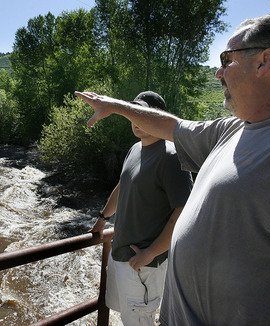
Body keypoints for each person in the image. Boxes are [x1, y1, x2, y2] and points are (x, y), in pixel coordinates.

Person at [76, 14, 270, 326]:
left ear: (264, 61)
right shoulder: (232, 128)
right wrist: (113, 105)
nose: (218, 72)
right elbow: (172, 125)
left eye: (227, 59)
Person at [89, 91, 192, 325]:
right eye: (134, 114)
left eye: (142, 114)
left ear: (158, 117)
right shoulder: (135, 149)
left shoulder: (172, 156)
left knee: (139, 321)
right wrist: (102, 218)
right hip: (122, 255)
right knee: (127, 317)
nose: (136, 120)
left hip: (144, 264)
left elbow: (184, 212)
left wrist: (151, 253)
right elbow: (122, 186)